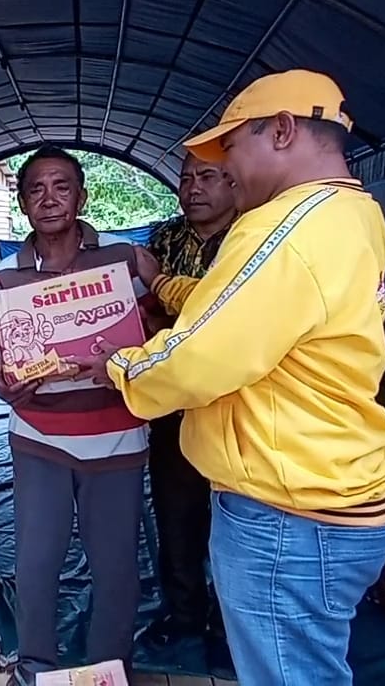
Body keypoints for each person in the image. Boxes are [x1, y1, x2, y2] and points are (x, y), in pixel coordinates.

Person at [77, 69, 385, 685]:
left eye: (230, 148)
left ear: (281, 130)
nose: (224, 169)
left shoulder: (283, 225)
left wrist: (121, 367)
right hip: (335, 486)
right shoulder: (355, 213)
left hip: (289, 508)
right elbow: (246, 316)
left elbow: (200, 355)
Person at [0, 147, 151, 683]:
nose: (50, 198)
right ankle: (35, 664)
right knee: (36, 561)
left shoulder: (126, 261)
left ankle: (110, 669)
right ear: (22, 203)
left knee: (117, 566)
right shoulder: (5, 275)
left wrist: (131, 359)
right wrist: (7, 384)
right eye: (36, 189)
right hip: (39, 436)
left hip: (117, 438)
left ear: (82, 196)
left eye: (62, 186)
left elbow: (164, 337)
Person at [135, 152, 237, 675]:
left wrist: (166, 294)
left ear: (234, 180)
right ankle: (185, 612)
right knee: (176, 512)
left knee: (235, 519)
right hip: (174, 403)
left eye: (207, 177)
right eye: (186, 178)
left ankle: (230, 625)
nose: (193, 188)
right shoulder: (165, 238)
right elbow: (145, 311)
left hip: (236, 406)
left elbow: (229, 312)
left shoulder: (253, 236)